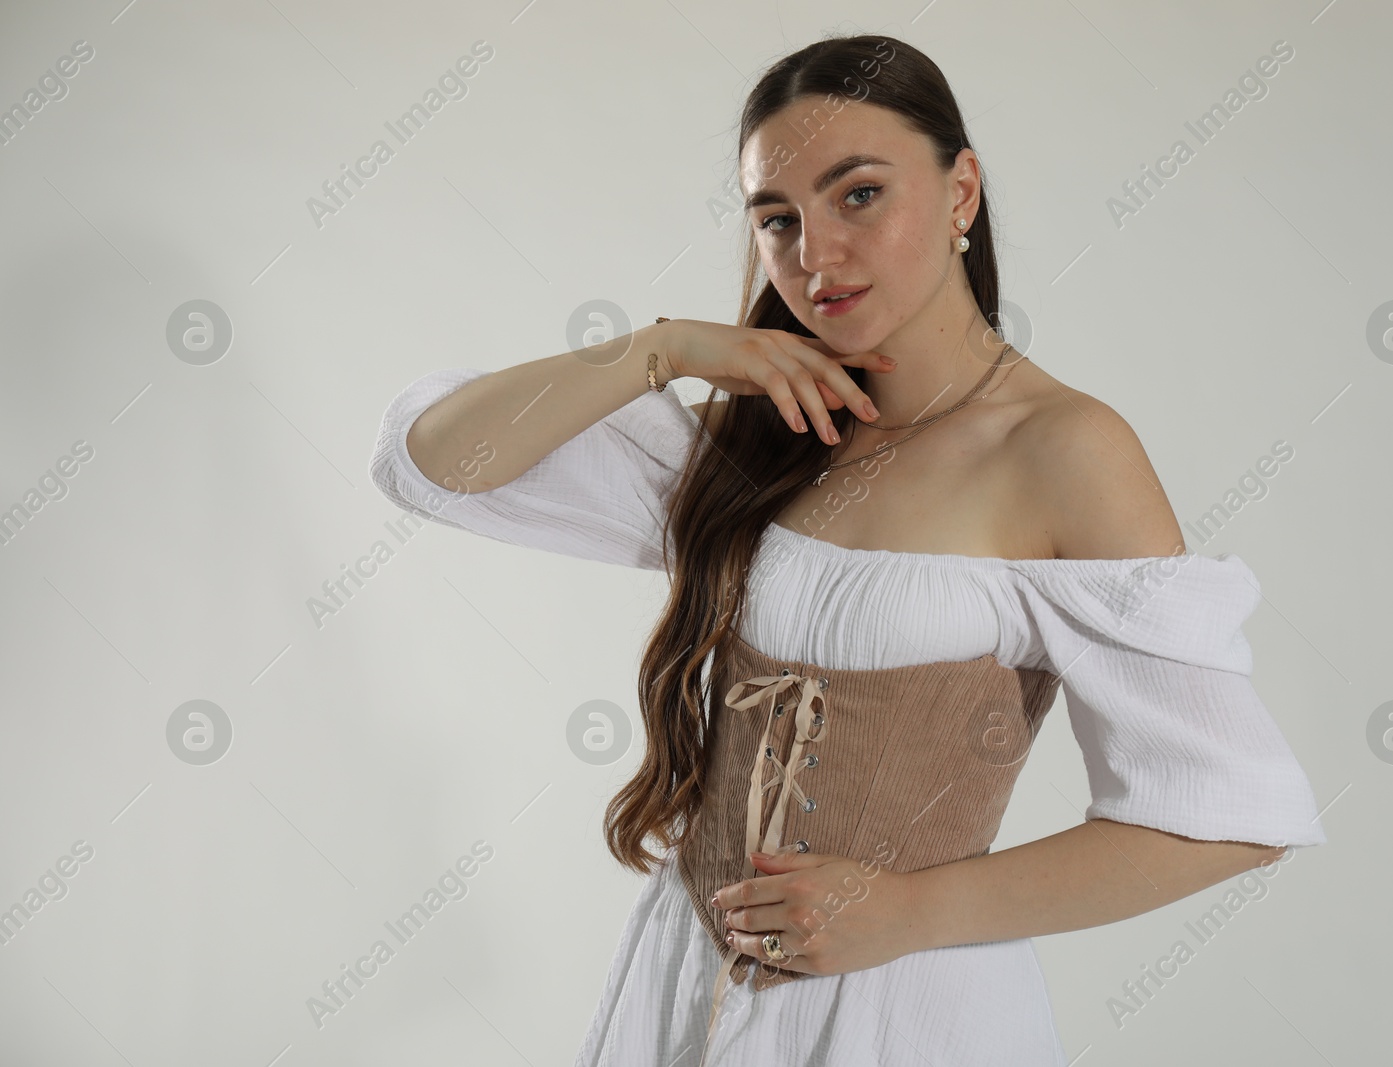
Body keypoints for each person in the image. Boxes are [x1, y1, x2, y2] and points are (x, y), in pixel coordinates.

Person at [367, 33, 1326, 1067]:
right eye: (776, 218)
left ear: (961, 191)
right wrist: (662, 347)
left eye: (857, 195)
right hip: (684, 974)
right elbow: (435, 459)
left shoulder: (1063, 451)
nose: (813, 256)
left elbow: (1230, 813)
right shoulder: (761, 435)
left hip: (904, 1006)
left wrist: (910, 906)